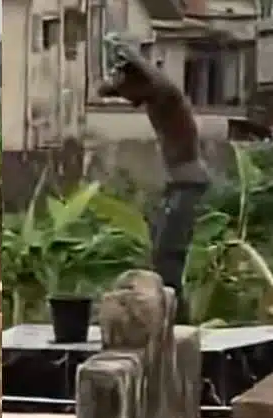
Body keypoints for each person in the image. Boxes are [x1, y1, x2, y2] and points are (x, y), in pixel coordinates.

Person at [97, 34, 211, 323]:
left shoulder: (167, 94)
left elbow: (150, 75)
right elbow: (103, 90)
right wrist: (117, 66)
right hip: (177, 185)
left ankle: (177, 326)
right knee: (159, 258)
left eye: (129, 91)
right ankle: (171, 320)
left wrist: (127, 51)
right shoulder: (151, 96)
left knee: (168, 260)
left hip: (189, 183)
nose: (128, 99)